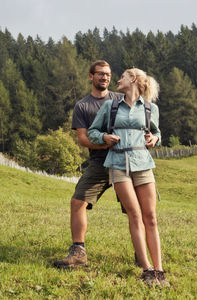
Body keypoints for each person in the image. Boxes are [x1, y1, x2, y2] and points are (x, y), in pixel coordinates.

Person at [88, 67, 170, 287]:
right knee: (134, 215)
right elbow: (92, 132)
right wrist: (103, 136)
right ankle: (147, 269)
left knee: (150, 217)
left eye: (122, 75)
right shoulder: (110, 106)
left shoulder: (151, 108)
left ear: (133, 78)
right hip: (117, 164)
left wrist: (155, 139)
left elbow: (157, 133)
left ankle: (159, 270)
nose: (117, 79)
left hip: (143, 164)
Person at [53, 60, 123, 269]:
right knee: (77, 202)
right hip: (99, 162)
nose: (105, 77)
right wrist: (103, 143)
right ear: (91, 76)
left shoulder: (121, 99)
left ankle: (141, 254)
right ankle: (79, 252)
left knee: (134, 208)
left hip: (123, 161)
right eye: (100, 74)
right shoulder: (82, 106)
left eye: (108, 74)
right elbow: (82, 139)